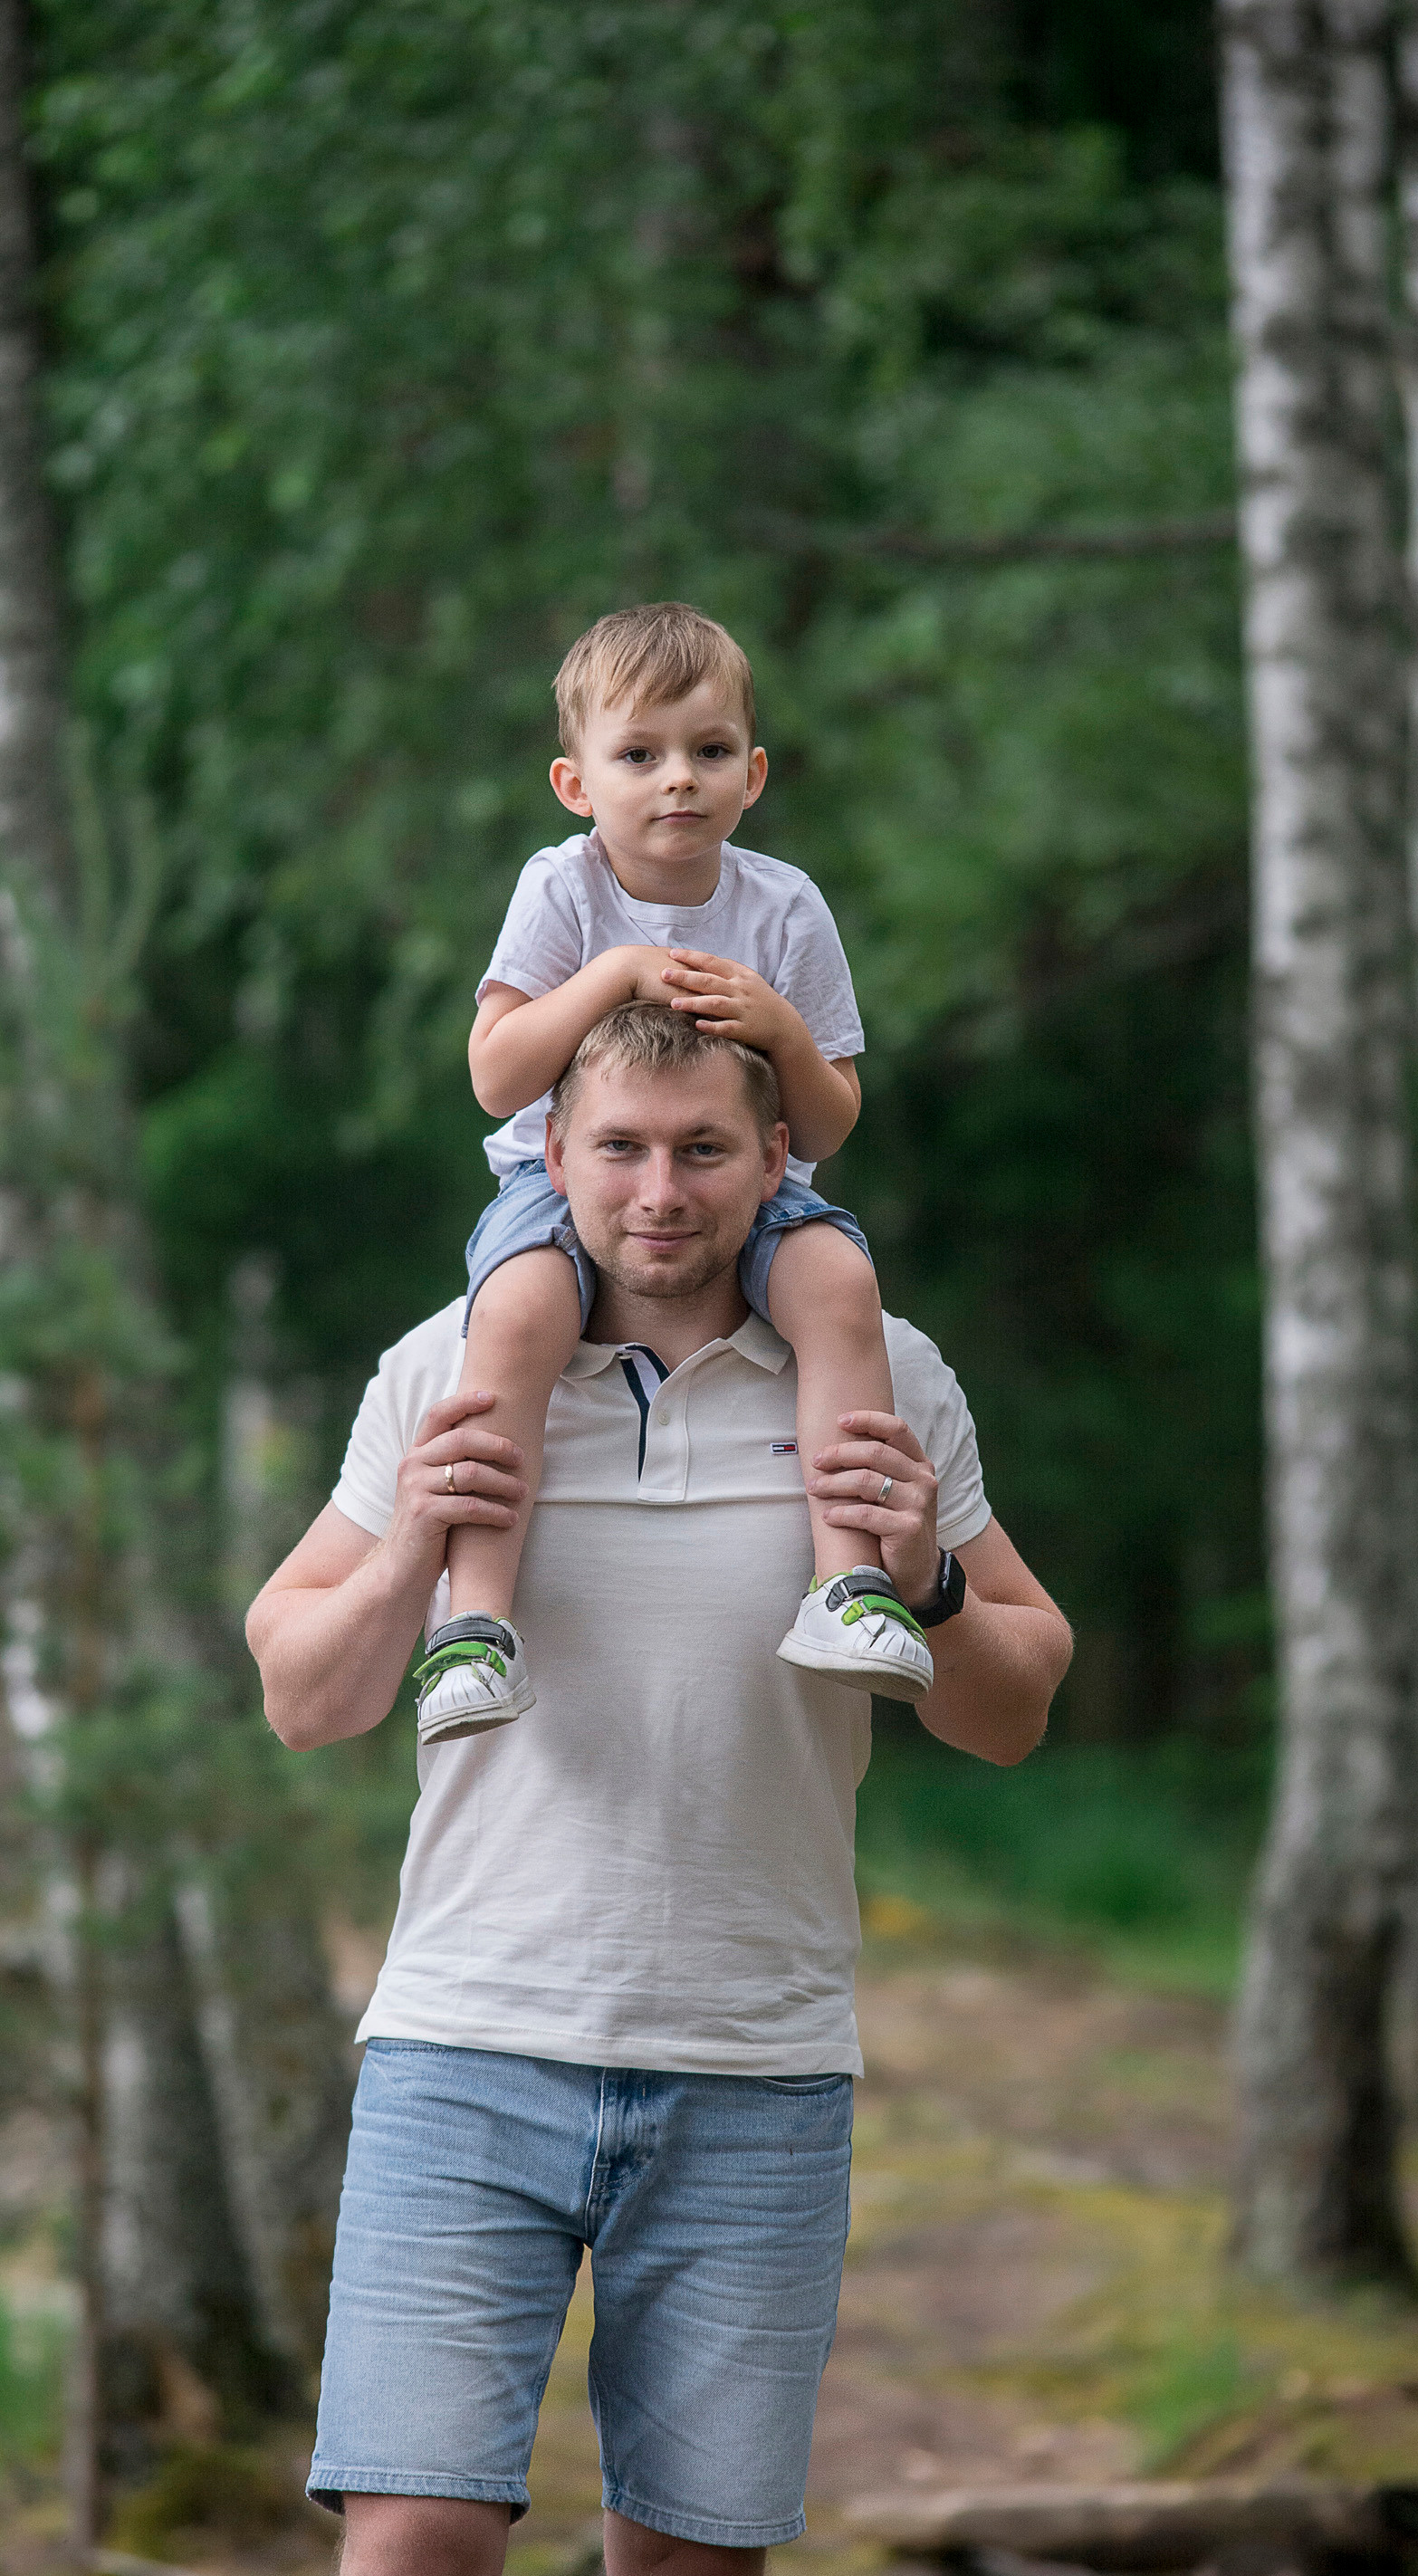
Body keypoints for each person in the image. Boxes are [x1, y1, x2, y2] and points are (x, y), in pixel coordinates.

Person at [246, 1002, 1071, 2576]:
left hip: (753, 2071)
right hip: (467, 2052)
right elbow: (301, 1690)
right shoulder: (455, 1364)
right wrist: (414, 1550)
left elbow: (1016, 1701)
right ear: (550, 1159)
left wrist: (923, 1579)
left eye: (705, 1149)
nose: (662, 1190)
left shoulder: (883, 1375)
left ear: (779, 1162)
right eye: (619, 1148)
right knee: (406, 2575)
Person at [421, 599, 929, 1744]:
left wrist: (781, 1033)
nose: (677, 782)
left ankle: (846, 1585)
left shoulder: (783, 906)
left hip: (746, 1184)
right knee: (515, 1313)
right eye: (638, 755)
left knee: (839, 1289)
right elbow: (497, 1079)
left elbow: (829, 1120)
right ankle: (474, 1627)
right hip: (562, 1194)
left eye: (707, 753)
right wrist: (615, 977)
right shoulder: (561, 890)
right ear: (575, 782)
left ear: (752, 773)